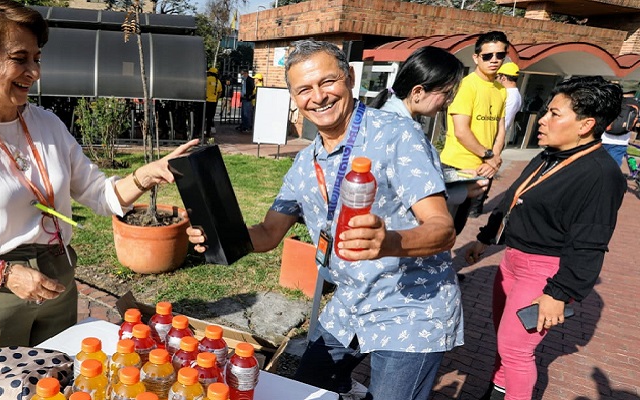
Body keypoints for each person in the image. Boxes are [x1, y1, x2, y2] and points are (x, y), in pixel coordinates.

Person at [0, 0, 198, 365]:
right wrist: (4, 274)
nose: (35, 72)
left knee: (56, 381)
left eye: (37, 58)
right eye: (20, 59)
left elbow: (100, 194)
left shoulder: (47, 124)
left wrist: (147, 173)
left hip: (56, 276)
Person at [188, 40, 463, 400]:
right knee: (304, 390)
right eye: (304, 89)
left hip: (410, 307)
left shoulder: (396, 135)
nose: (318, 96)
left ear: (349, 78)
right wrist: (217, 234)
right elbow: (269, 233)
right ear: (294, 98)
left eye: (327, 82)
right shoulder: (306, 164)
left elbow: (443, 230)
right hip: (350, 302)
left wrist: (391, 242)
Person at [464, 76, 626, 400]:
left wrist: (560, 293)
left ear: (586, 125)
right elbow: (515, 196)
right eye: (547, 111)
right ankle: (497, 391)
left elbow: (589, 244)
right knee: (504, 341)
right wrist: (486, 238)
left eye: (555, 113)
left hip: (543, 272)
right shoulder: (549, 154)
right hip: (512, 262)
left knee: (516, 350)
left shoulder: (600, 174)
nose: (543, 119)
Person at [370, 46, 488, 218]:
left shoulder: (383, 114)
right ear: (418, 92)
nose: (449, 101)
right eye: (446, 93)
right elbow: (417, 194)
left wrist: (454, 175)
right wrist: (464, 191)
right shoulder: (406, 132)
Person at [440, 31, 509, 225]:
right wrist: (490, 156)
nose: (494, 60)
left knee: (460, 225)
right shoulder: (465, 86)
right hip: (457, 166)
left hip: (484, 168)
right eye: (487, 56)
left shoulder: (501, 89)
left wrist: (493, 161)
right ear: (476, 57)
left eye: (500, 55)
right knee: (443, 226)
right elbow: (461, 131)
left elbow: (500, 128)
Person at [601, 88, 639, 167]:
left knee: (597, 167)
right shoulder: (636, 104)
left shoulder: (609, 100)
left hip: (603, 139)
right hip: (621, 142)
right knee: (613, 169)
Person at [496, 62, 523, 144]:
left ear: (503, 78)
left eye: (497, 77)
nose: (495, 79)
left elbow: (504, 122)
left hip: (495, 138)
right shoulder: (510, 93)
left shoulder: (512, 96)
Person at [205, 67, 223, 137]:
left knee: (203, 117)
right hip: (213, 102)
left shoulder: (206, 79)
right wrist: (216, 99)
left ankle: (199, 131)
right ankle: (208, 132)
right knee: (210, 118)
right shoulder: (218, 81)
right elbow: (220, 92)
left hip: (206, 101)